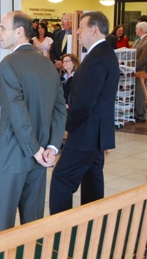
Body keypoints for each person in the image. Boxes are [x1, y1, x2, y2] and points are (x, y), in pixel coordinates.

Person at [0, 11, 66, 234]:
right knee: (32, 228)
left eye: (3, 28)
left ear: (19, 32)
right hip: (39, 159)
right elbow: (60, 109)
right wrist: (51, 147)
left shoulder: (9, 63)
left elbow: (17, 111)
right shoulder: (47, 64)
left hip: (12, 156)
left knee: (1, 229)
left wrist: (35, 150)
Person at [48, 12, 120, 215]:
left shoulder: (96, 58)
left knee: (62, 179)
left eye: (81, 27)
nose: (77, 31)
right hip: (97, 131)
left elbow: (84, 103)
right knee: (92, 179)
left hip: (86, 132)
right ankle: (92, 222)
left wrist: (66, 123)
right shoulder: (106, 53)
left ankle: (61, 226)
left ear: (94, 29)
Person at [133, 22, 147, 123]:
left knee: (140, 93)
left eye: (136, 29)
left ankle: (140, 114)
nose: (135, 30)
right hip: (135, 70)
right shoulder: (138, 40)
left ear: (141, 30)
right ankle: (136, 112)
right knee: (136, 92)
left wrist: (133, 67)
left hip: (141, 70)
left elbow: (143, 59)